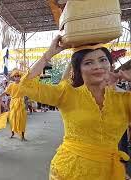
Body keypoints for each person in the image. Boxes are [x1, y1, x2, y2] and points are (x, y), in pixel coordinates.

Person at [19, 35, 131, 180]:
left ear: (110, 65)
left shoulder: (124, 100)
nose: (97, 66)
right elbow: (26, 86)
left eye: (103, 60)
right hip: (69, 170)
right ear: (78, 69)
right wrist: (49, 55)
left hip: (110, 173)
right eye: (88, 63)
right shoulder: (67, 94)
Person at [0, 69, 27, 141]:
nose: (17, 77)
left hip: (21, 103)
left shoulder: (23, 84)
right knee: (12, 118)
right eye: (15, 76)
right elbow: (5, 92)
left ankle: (22, 135)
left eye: (18, 76)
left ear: (20, 77)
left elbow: (28, 93)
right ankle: (12, 132)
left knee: (21, 119)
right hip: (13, 103)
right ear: (13, 77)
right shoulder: (11, 85)